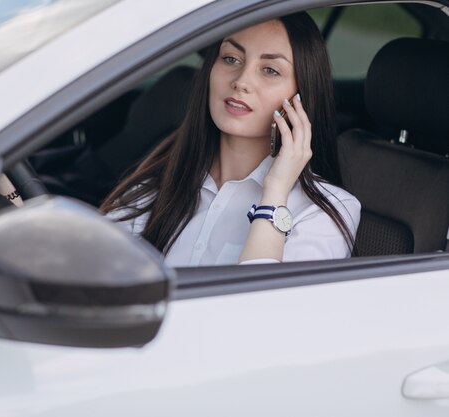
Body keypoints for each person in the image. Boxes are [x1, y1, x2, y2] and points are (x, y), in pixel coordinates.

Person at [100, 12, 361, 267]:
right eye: (231, 59)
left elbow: (264, 308)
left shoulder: (325, 211)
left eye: (270, 70)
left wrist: (276, 192)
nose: (241, 81)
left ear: (301, 96)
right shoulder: (156, 186)